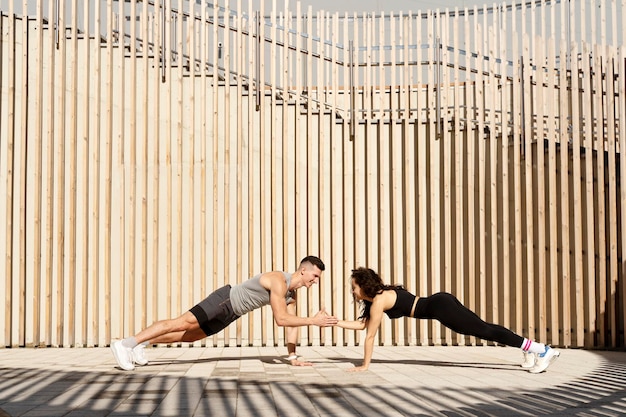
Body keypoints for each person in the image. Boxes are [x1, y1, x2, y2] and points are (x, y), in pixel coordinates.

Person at [110, 256, 338, 371]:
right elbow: (281, 320)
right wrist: (314, 321)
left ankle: (143, 344)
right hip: (224, 301)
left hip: (232, 313)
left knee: (190, 336)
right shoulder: (279, 281)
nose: (315, 281)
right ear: (303, 270)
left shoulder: (290, 295)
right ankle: (125, 344)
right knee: (180, 324)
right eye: (315, 276)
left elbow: (291, 326)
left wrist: (293, 357)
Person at [336, 267, 560, 374]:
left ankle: (541, 350)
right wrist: (335, 322)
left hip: (439, 307)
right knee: (484, 328)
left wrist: (365, 366)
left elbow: (370, 336)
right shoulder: (379, 299)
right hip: (439, 302)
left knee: (484, 330)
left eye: (353, 287)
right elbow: (363, 325)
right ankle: (530, 349)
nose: (352, 291)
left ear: (363, 286)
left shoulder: (378, 302)